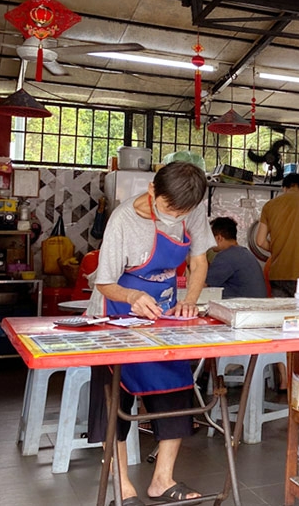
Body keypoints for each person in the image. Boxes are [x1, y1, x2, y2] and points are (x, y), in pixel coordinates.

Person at [85, 161, 213, 504]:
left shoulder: (192, 208)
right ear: (153, 191)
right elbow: (105, 281)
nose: (176, 217)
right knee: (114, 397)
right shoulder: (123, 219)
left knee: (175, 388)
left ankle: (162, 480)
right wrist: (133, 297)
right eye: (171, 209)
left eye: (183, 211)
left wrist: (189, 301)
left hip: (166, 311)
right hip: (118, 307)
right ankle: (122, 482)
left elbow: (199, 262)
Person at [256, 172, 299, 297]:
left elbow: (260, 241)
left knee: (281, 313)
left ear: (284, 188)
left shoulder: (269, 205)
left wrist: (279, 248)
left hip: (278, 273)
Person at [206, 217, 266, 298]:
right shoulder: (245, 253)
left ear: (219, 238)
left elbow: (204, 285)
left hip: (242, 307)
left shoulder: (226, 256)